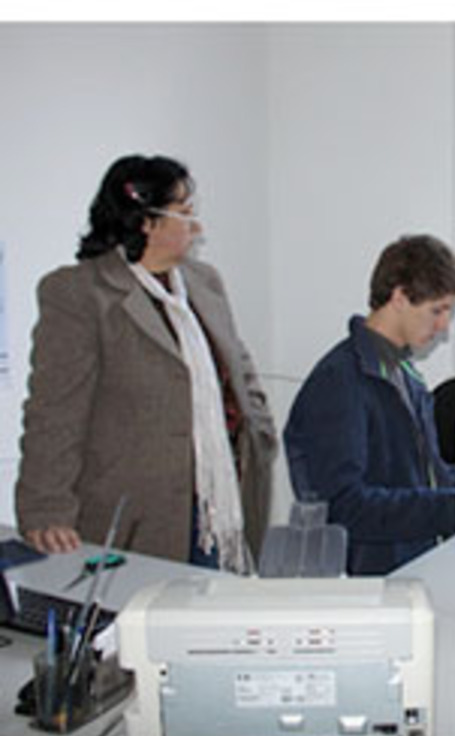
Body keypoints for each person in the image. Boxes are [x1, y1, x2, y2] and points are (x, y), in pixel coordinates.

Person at [16, 155, 277, 573]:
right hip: (137, 518)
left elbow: (238, 369)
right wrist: (45, 508)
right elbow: (54, 412)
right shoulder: (81, 294)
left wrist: (258, 430)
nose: (196, 226)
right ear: (146, 221)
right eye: (184, 213)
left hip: (219, 505)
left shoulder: (203, 283)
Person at [283, 234, 455, 576]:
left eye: (449, 311)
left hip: (414, 563)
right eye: (436, 310)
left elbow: (422, 478)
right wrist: (453, 509)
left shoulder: (403, 373)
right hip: (368, 577)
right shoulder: (340, 382)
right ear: (398, 297)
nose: (444, 327)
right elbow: (345, 507)